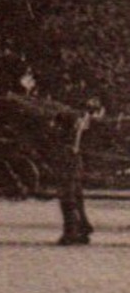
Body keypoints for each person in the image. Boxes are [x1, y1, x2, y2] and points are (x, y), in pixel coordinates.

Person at [55, 101, 98, 246]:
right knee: (76, 196)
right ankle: (83, 226)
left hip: (69, 165)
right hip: (74, 164)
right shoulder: (74, 136)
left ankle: (71, 231)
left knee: (68, 198)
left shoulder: (66, 141)